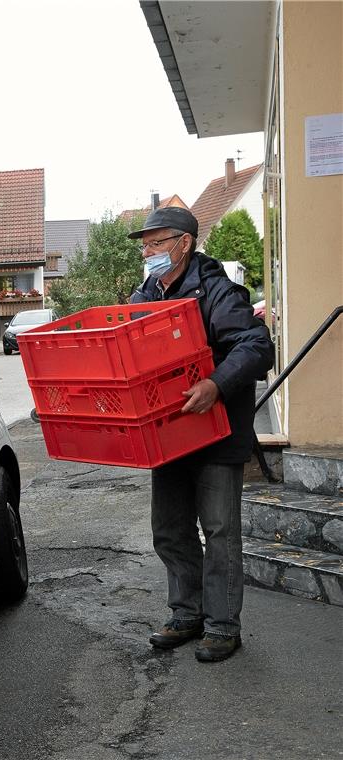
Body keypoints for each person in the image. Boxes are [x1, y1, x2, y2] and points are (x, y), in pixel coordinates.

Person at [128, 206, 273, 663]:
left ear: (184, 244)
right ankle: (186, 613)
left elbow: (256, 345)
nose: (148, 252)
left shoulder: (218, 291)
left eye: (157, 243)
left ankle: (223, 625)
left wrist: (216, 384)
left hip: (216, 432)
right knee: (169, 530)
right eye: (145, 245)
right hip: (168, 435)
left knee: (220, 531)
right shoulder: (146, 292)